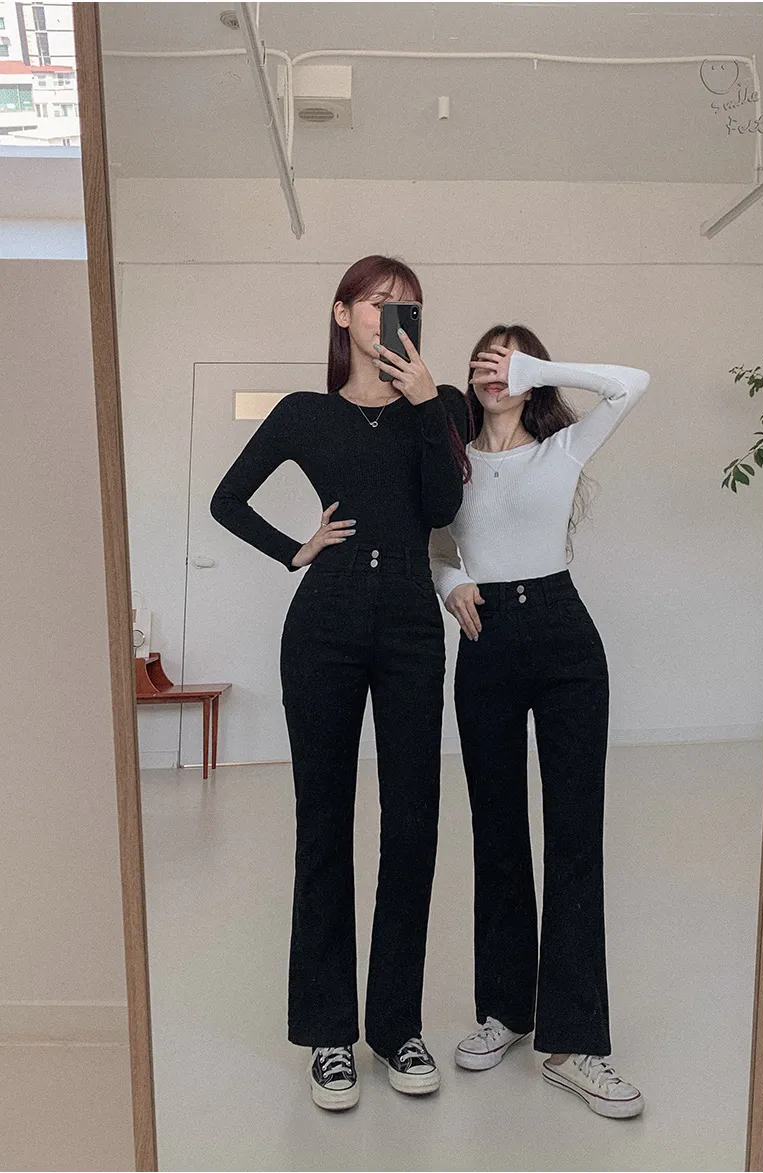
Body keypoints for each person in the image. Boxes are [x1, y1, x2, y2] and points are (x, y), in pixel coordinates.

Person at [210, 256, 469, 1111]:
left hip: (409, 624)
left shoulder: (440, 405)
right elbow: (227, 500)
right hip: (323, 623)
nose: (394, 314)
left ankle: (396, 1027)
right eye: (380, 301)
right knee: (323, 825)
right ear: (342, 314)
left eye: (409, 306)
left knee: (414, 824)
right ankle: (329, 1032)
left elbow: (441, 507)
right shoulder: (305, 413)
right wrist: (295, 549)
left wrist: (426, 402)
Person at [429, 324, 650, 1118]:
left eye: (510, 360)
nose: (497, 372)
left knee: (574, 834)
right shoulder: (451, 461)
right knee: (496, 830)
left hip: (563, 638)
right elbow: (436, 545)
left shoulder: (563, 449)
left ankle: (575, 1042)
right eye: (486, 360)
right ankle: (506, 1010)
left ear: (531, 374)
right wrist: (449, 582)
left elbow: (632, 380)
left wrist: (538, 366)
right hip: (485, 639)